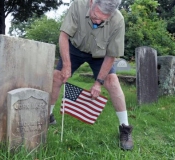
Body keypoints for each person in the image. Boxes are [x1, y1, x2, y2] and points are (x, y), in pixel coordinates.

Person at [49, 0, 134, 150]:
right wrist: (67, 66)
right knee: (57, 76)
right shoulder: (78, 5)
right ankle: (47, 116)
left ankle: (125, 129)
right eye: (95, 15)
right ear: (91, 2)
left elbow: (111, 54)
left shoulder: (118, 20)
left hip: (100, 55)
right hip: (74, 49)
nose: (97, 21)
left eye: (103, 19)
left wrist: (98, 82)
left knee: (112, 81)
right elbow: (63, 36)